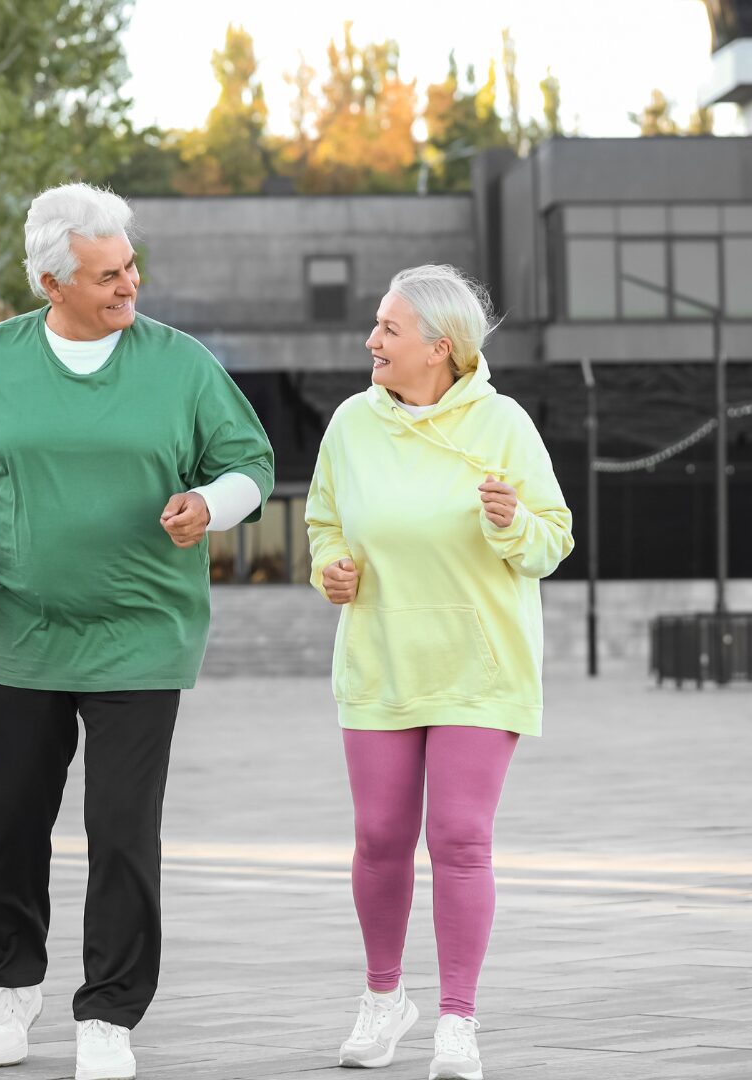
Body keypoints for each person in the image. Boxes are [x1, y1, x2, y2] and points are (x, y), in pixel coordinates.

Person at [0, 183, 275, 1080]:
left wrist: (209, 505)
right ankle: (10, 981)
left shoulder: (179, 364)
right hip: (20, 630)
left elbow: (251, 463)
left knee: (121, 830)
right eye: (107, 275)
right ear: (50, 282)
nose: (129, 286)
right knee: (8, 824)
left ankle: (109, 1012)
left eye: (131, 268)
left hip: (141, 634)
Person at [306, 264, 574, 1080]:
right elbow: (323, 521)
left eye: (388, 329)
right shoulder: (351, 424)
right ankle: (384, 1000)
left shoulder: (503, 425)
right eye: (376, 325)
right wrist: (332, 569)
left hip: (478, 664)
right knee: (380, 839)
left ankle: (459, 1019)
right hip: (381, 659)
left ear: (441, 348)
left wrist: (511, 522)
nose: (371, 341)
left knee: (459, 838)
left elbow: (553, 540)